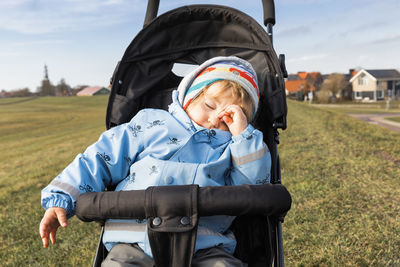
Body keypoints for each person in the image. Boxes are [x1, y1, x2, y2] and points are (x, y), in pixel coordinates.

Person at [39, 56, 271, 266]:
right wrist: (62, 198)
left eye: (228, 118)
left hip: (205, 244)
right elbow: (100, 158)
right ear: (189, 98)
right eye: (209, 106)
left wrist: (244, 136)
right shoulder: (151, 123)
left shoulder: (236, 146)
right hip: (133, 239)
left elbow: (252, 186)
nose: (213, 120)